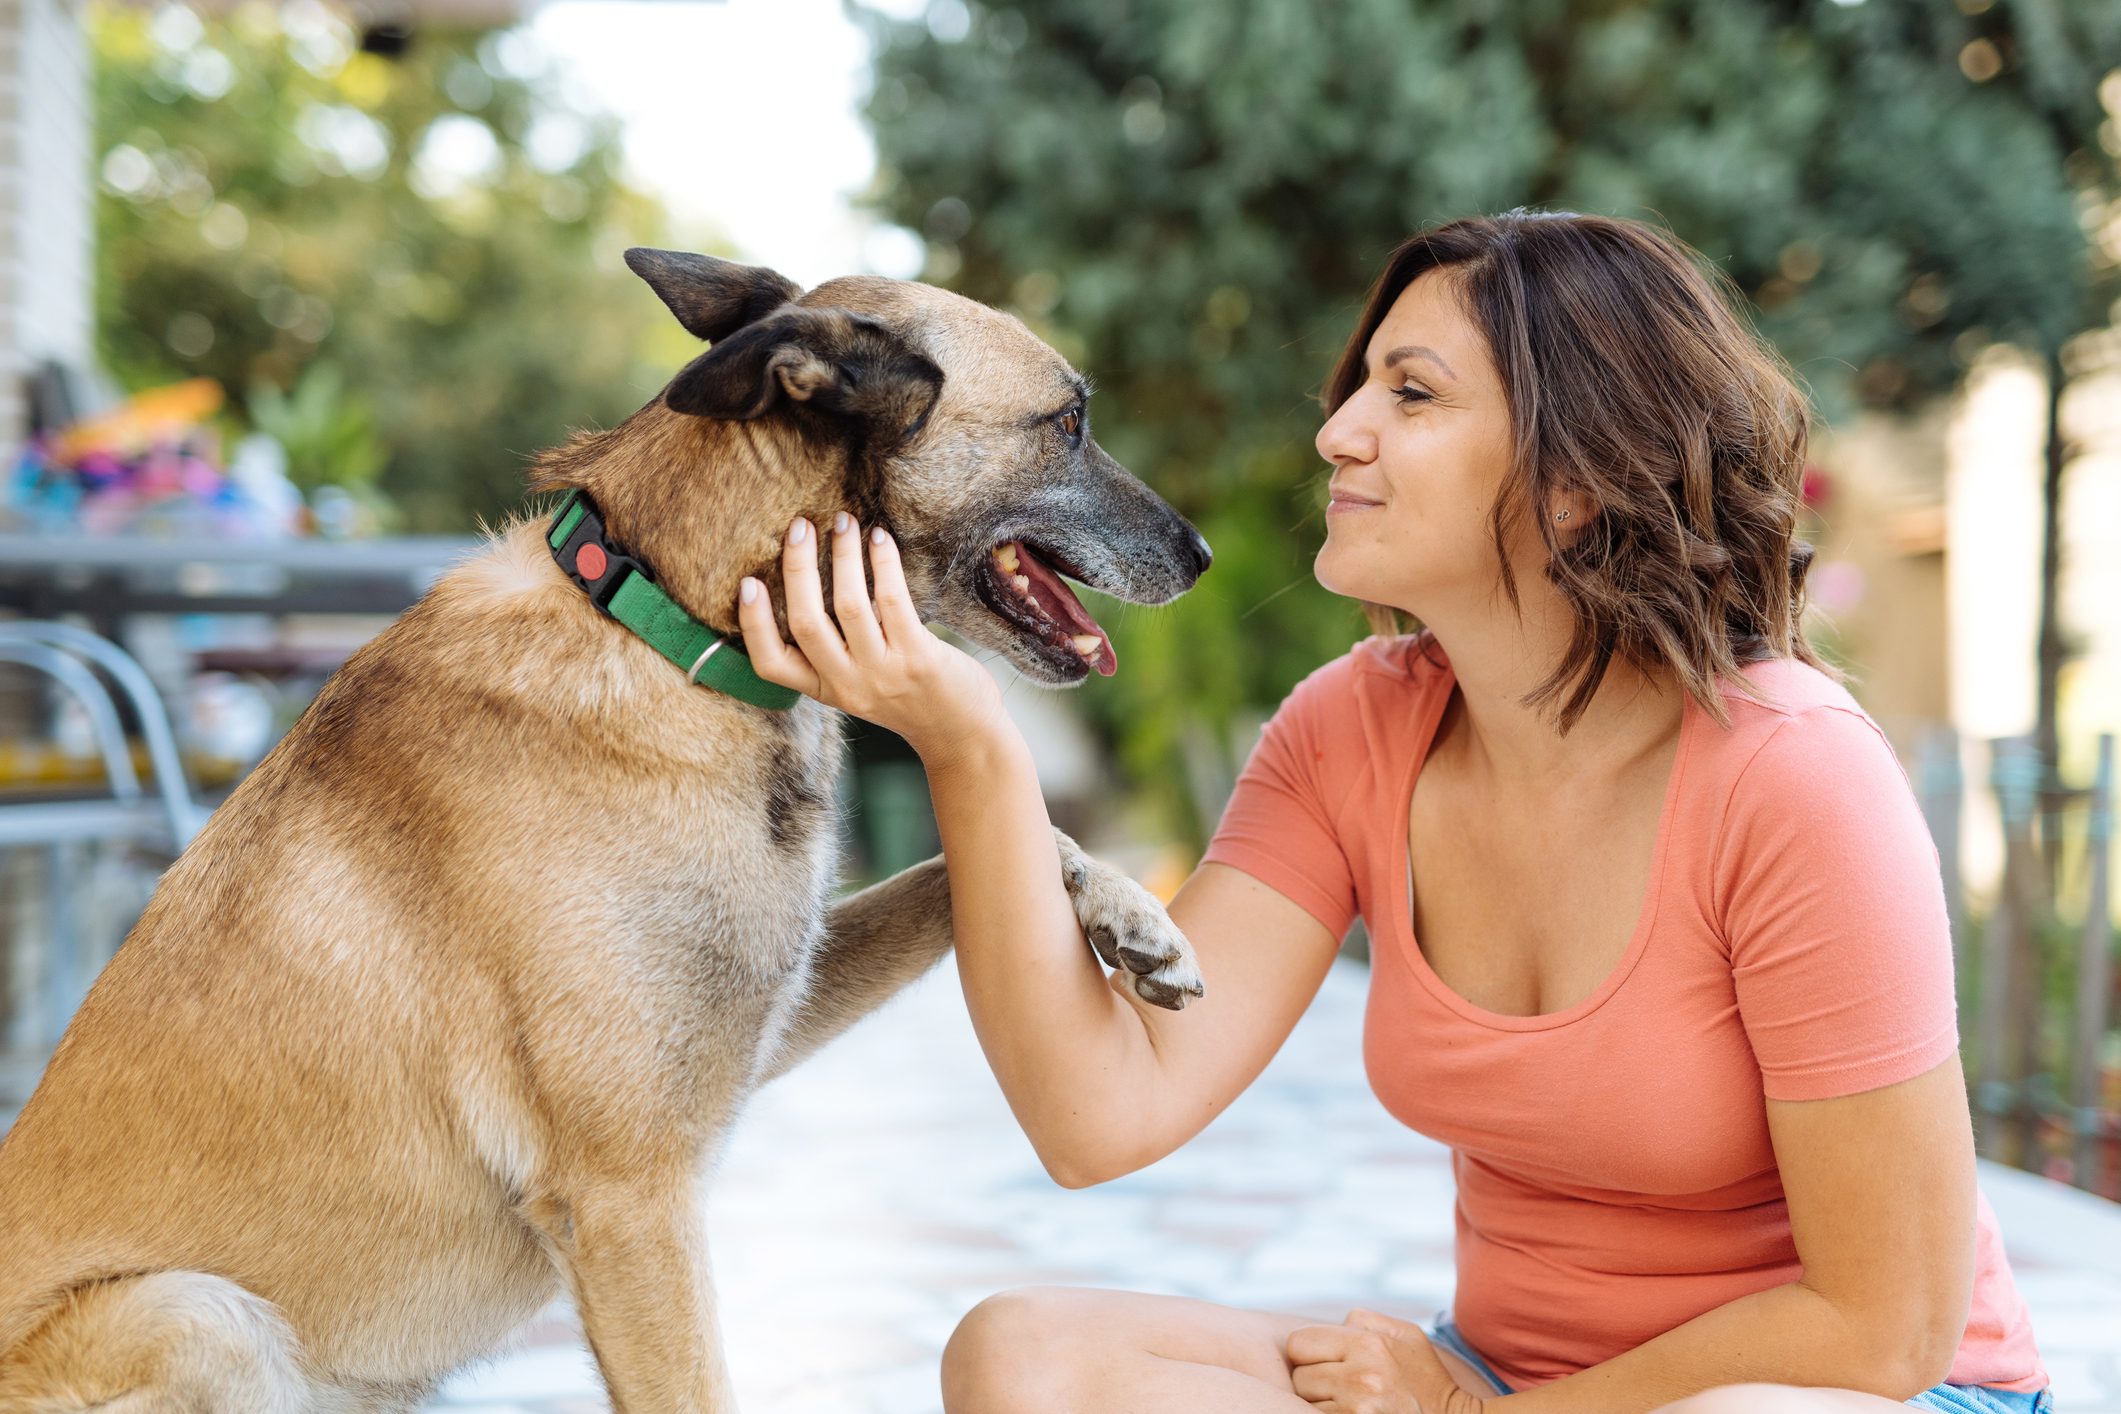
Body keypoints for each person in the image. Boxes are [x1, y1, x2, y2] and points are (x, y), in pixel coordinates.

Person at [730, 210, 2053, 1414]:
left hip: (1846, 1397)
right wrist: (969, 744)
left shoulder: (1794, 774)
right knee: (1023, 1355)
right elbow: (1102, 1109)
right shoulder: (1352, 728)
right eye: (1360, 382)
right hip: (1491, 1382)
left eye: (1408, 393)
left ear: (1576, 473)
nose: (1338, 429)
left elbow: (1880, 1330)